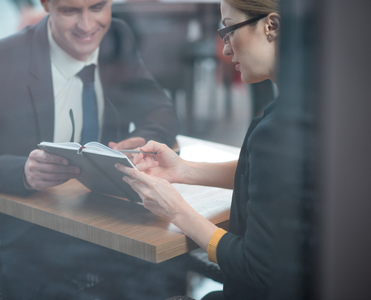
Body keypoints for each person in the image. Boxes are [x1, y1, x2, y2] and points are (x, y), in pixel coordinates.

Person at [0, 0, 182, 299]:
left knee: (164, 274)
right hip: (4, 236)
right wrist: (22, 171)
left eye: (97, 7)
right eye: (70, 11)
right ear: (46, 4)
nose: (88, 25)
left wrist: (139, 143)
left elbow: (161, 112)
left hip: (92, 223)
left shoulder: (116, 35)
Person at [116, 0, 286, 299]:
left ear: (271, 26)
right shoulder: (315, 110)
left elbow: (257, 267)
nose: (225, 49)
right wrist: (183, 170)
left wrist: (176, 210)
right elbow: (268, 171)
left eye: (230, 30)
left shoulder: (279, 131)